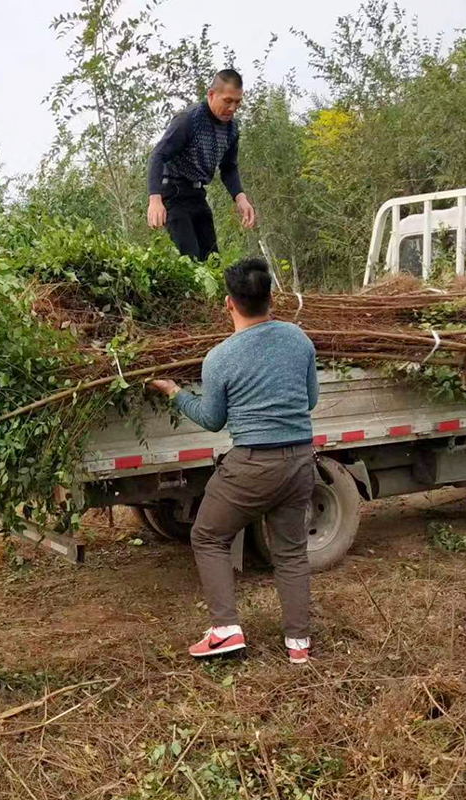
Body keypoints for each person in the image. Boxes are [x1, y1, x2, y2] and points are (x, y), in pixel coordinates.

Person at [149, 258, 318, 664]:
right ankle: (298, 645)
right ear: (270, 298)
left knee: (208, 536)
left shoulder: (220, 358)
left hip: (253, 465)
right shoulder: (299, 340)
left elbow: (212, 419)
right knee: (291, 552)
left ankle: (225, 630)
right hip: (300, 461)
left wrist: (174, 392)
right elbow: (310, 400)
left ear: (229, 304)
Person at [147, 69, 256, 261]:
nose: (232, 108)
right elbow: (159, 155)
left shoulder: (232, 129)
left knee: (212, 259)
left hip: (197, 195)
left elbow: (229, 167)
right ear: (212, 95)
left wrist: (240, 198)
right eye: (227, 101)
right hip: (174, 193)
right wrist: (155, 201)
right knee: (190, 259)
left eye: (237, 102)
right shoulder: (189, 120)